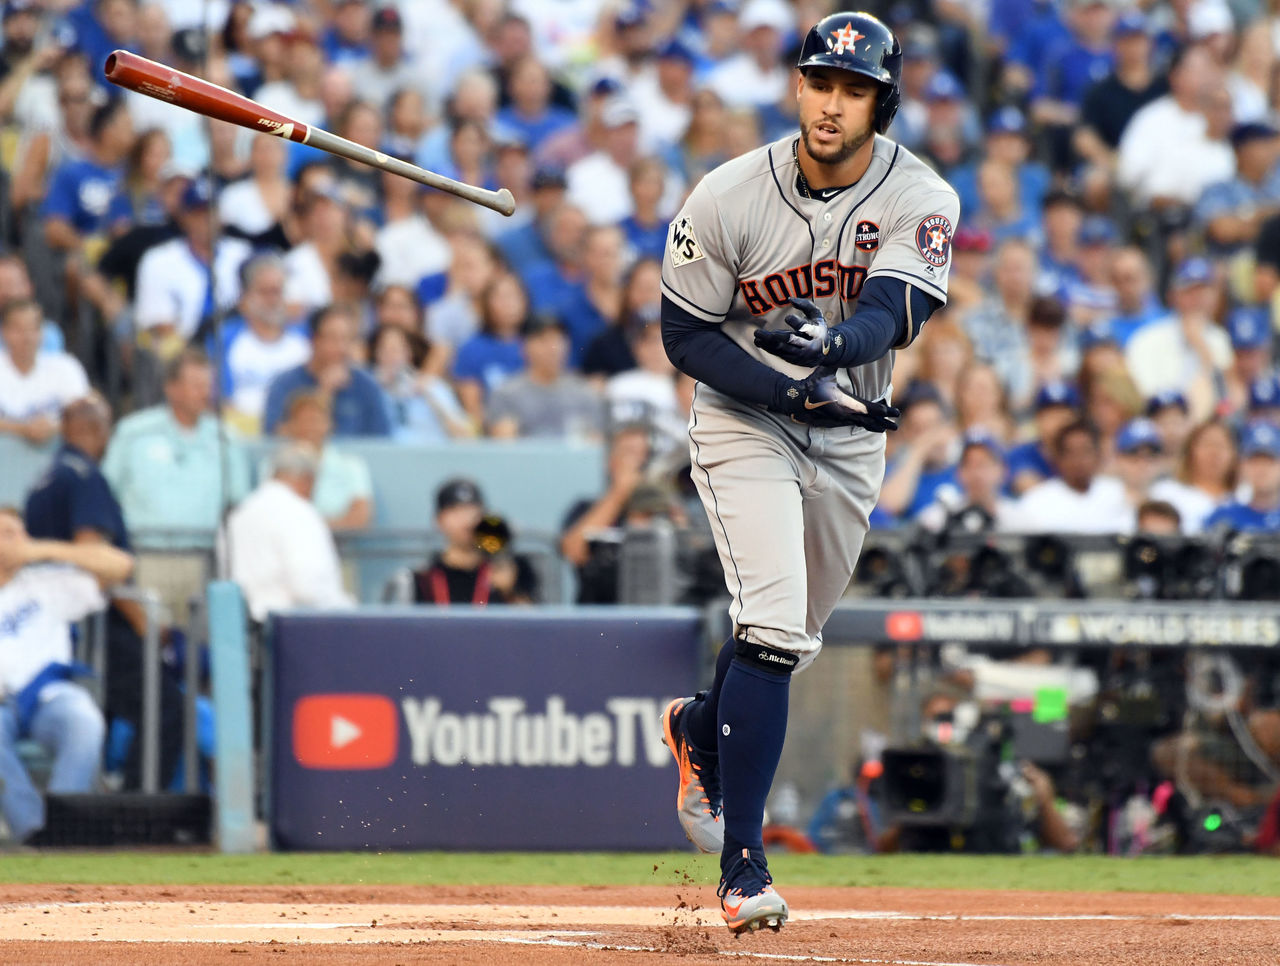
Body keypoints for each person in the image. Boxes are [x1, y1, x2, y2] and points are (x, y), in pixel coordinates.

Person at [657, 12, 957, 933]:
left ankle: (701, 729)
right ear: (798, 87)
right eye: (821, 83)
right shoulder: (729, 192)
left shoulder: (922, 193)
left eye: (854, 89)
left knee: (785, 638)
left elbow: (895, 308)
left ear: (882, 102)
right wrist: (792, 393)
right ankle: (743, 865)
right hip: (747, 418)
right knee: (777, 631)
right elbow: (684, 333)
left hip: (854, 430)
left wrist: (836, 345)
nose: (833, 104)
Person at [22, 393, 185, 791]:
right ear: (95, 429)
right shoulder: (84, 477)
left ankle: (108, 804)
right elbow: (93, 557)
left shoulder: (44, 480)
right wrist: (143, 621)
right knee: (166, 709)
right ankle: (135, 813)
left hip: (60, 628)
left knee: (110, 714)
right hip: (100, 623)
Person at [0, 505, 133, 843]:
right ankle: (31, 831)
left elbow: (121, 566)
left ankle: (60, 829)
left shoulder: (45, 581)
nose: (8, 543)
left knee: (84, 720)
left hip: (48, 694)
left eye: (14, 533)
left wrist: (40, 549)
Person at [102, 348, 251, 533]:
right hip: (143, 549)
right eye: (196, 385)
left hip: (207, 552)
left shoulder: (226, 438)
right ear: (171, 388)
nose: (205, 393)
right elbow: (106, 492)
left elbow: (239, 503)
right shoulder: (133, 432)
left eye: (208, 385)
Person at [224, 442, 354, 622]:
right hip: (293, 626)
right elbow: (308, 587)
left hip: (244, 624)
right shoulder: (300, 512)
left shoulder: (238, 515)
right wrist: (345, 606)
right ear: (307, 479)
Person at [383, 478, 528, 605]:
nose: (466, 520)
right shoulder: (421, 580)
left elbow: (535, 628)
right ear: (438, 520)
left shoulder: (512, 570)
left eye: (473, 511)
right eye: (456, 511)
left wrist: (510, 592)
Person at [262, 303, 394, 437]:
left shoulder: (367, 386)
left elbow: (382, 440)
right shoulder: (285, 384)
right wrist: (322, 395)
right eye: (333, 339)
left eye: (348, 339)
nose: (342, 348)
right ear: (313, 340)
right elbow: (273, 437)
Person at [486, 316, 604, 440]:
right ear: (524, 347)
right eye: (543, 340)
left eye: (557, 340)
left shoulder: (585, 393)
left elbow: (595, 443)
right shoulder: (506, 394)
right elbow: (504, 445)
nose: (552, 348)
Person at [1008, 419, 1131, 534]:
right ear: (1057, 458)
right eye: (1070, 452)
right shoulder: (1034, 502)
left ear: (1098, 455)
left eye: (1085, 451)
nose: (1078, 460)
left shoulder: (1120, 495)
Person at [275, 391, 374, 532]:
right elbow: (269, 513)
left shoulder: (351, 465)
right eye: (303, 420)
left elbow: (360, 518)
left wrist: (312, 529)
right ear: (291, 425)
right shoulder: (273, 465)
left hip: (338, 547)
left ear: (329, 424)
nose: (309, 427)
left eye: (315, 420)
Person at [0, 298, 89, 447]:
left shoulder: (66, 367)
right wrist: (23, 429)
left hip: (56, 459)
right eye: (19, 329)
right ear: (4, 332)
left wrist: (54, 427)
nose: (27, 337)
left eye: (33, 328)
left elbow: (85, 417)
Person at [1149, 418, 1238, 535]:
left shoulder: (1245, 497)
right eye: (1207, 444)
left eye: (1221, 445)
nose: (1214, 453)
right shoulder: (1165, 494)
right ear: (1190, 451)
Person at [1204, 421, 1280, 532]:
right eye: (1254, 461)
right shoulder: (1224, 518)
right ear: (1242, 465)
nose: (1262, 469)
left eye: (1269, 462)